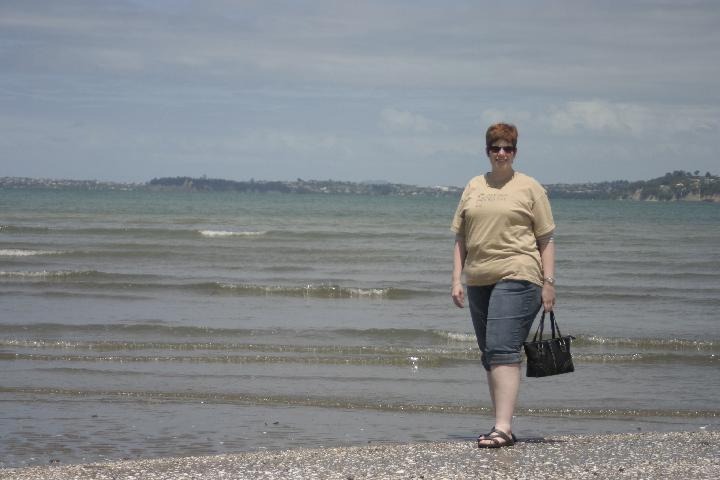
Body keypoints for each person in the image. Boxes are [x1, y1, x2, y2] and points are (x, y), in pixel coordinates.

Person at [450, 123, 556, 448]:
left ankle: (502, 428)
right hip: (479, 278)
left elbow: (546, 238)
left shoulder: (530, 188)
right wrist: (457, 278)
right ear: (487, 151)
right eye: (495, 147)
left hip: (519, 273)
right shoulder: (473, 186)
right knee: (490, 352)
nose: (501, 153)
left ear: (515, 152)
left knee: (502, 349)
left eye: (507, 148)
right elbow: (461, 236)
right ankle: (501, 425)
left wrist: (549, 282)